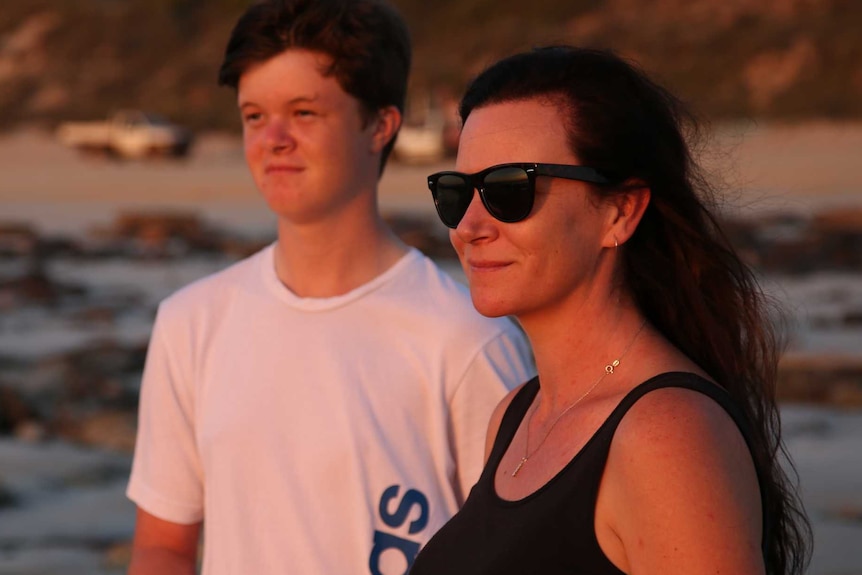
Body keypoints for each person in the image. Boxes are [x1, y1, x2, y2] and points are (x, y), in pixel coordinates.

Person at [125, 1, 535, 574]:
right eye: (252, 116)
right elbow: (162, 545)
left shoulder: (468, 340)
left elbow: (516, 553)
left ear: (380, 124)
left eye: (303, 112)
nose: (273, 139)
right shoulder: (191, 321)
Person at [411, 46, 811, 575]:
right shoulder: (514, 418)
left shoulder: (666, 436)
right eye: (457, 193)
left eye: (510, 190)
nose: (468, 227)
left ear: (620, 212)